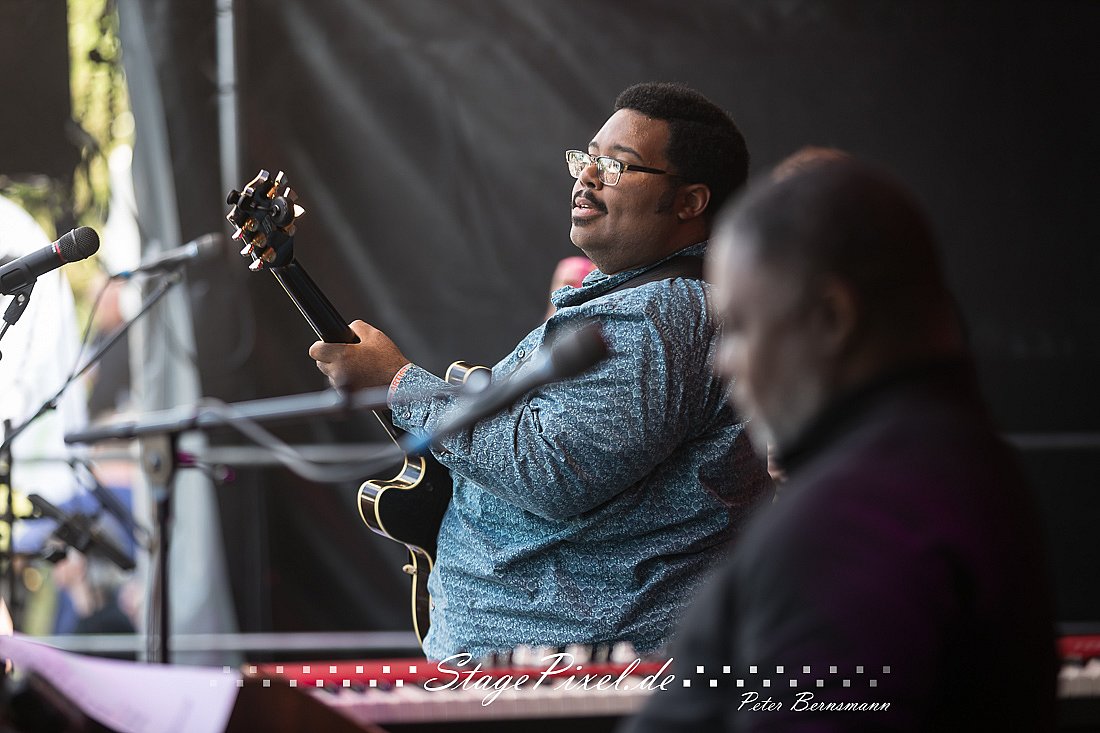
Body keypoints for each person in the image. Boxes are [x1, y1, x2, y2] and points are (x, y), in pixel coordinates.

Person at [309, 82, 773, 659]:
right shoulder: (649, 305)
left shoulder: (655, 317)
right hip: (538, 660)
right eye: (586, 158)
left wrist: (399, 383)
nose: (587, 176)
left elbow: (552, 469)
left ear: (689, 202)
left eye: (616, 165)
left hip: (566, 675)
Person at [625, 156, 1057, 730]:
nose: (721, 363)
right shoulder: (967, 466)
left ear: (830, 318)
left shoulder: (853, 521)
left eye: (742, 327)